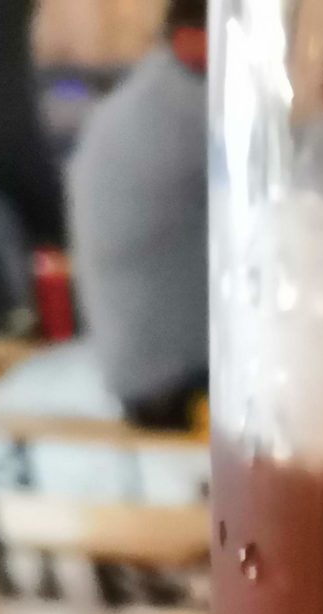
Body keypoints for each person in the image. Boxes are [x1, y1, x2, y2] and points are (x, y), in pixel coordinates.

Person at [67, 0, 208, 430]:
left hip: (137, 369)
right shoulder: (185, 109)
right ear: (189, 38)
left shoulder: (141, 97)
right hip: (173, 381)